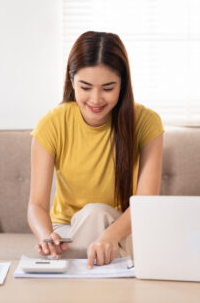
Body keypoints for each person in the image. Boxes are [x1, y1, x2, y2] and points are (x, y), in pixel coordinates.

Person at [27, 31, 164, 269]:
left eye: (108, 88)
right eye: (86, 87)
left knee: (96, 213)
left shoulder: (146, 122)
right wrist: (46, 237)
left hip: (124, 229)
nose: (96, 99)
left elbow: (146, 202)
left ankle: (72, 277)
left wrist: (110, 235)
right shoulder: (51, 124)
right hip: (69, 231)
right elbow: (37, 205)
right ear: (72, 82)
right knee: (91, 216)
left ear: (122, 85)